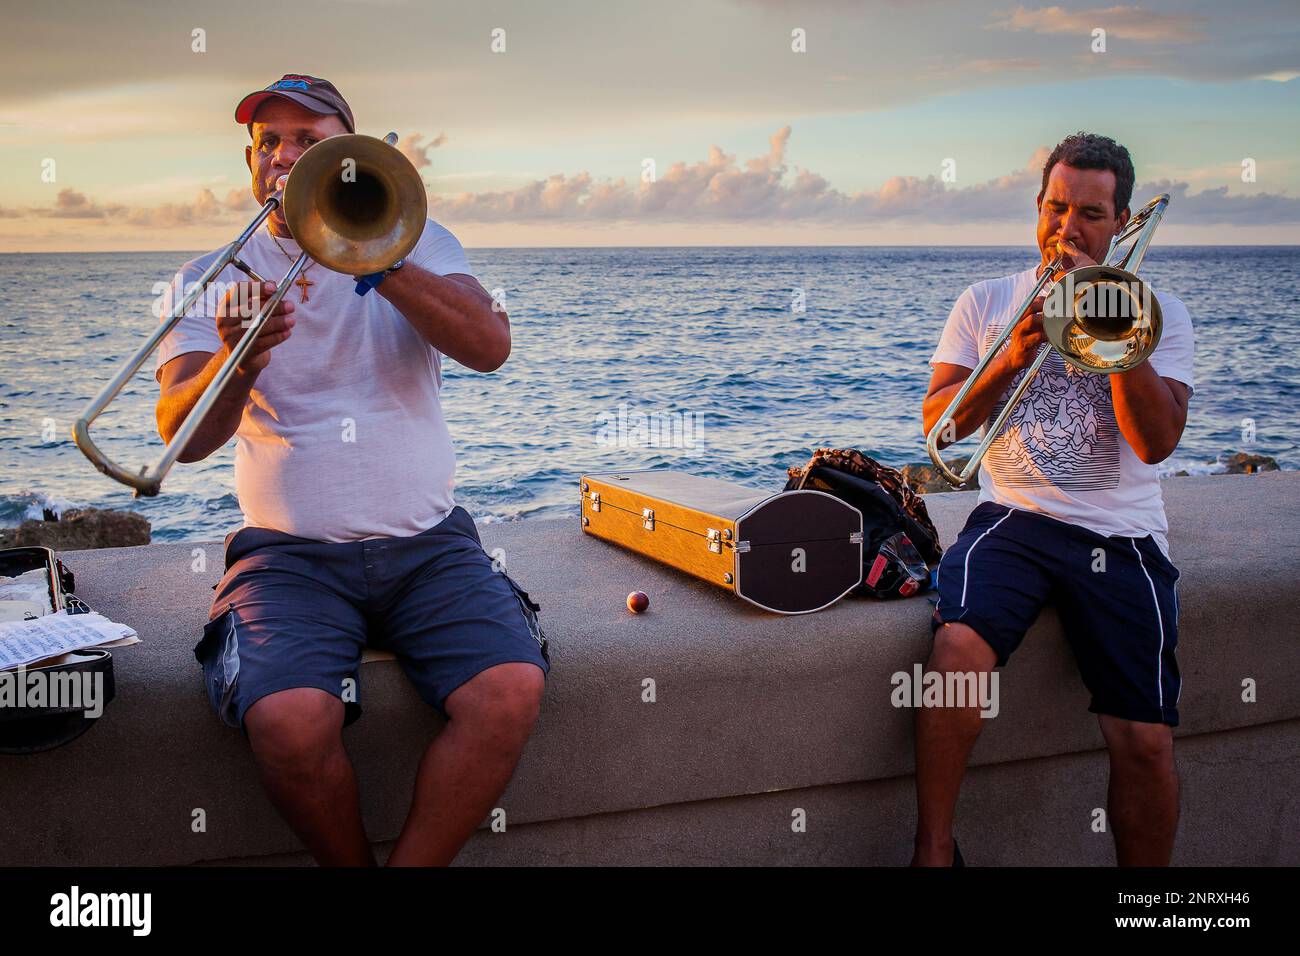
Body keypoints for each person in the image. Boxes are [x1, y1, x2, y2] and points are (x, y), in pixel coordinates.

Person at [153, 74, 549, 866]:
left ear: (350, 158)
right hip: (288, 557)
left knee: (509, 692)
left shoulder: (421, 241)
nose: (284, 156)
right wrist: (237, 360)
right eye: (270, 143)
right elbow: (181, 435)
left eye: (308, 141)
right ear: (249, 162)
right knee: (289, 721)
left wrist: (381, 256)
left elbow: (489, 347)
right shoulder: (211, 275)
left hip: (430, 546)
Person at [916, 132, 1194, 866]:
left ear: (1123, 220)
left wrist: (1111, 337)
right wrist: (1013, 352)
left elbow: (1157, 442)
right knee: (954, 651)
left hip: (1121, 533)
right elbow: (941, 427)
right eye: (1055, 206)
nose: (1068, 228)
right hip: (1015, 517)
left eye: (1091, 214)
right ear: (1038, 205)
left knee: (1142, 739)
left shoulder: (1156, 313)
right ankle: (935, 851)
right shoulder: (985, 302)